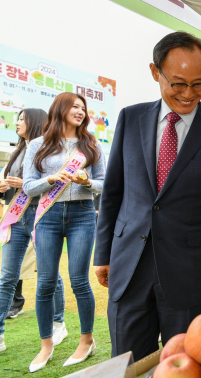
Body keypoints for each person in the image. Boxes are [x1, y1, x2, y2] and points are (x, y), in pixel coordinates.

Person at [93, 32, 201, 361]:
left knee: (186, 363)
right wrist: (102, 253)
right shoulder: (131, 119)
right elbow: (114, 191)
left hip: (191, 275)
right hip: (128, 267)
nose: (189, 94)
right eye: (177, 83)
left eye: (199, 84)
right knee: (128, 363)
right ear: (154, 72)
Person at [23, 93, 106, 371]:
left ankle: (87, 341)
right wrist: (50, 178)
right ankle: (46, 345)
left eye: (84, 108)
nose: (81, 111)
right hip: (47, 215)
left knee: (79, 281)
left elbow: (104, 184)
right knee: (45, 282)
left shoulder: (90, 144)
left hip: (82, 213)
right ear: (60, 109)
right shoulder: (39, 144)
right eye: (75, 106)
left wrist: (87, 180)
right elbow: (27, 187)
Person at [0, 109, 67, 354]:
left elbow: (57, 182)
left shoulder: (49, 150)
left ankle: (59, 323)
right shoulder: (18, 150)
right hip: (16, 218)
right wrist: (4, 186)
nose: (16, 122)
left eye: (21, 119)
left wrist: (28, 184)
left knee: (50, 275)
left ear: (35, 122)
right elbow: (11, 186)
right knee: (7, 275)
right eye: (16, 119)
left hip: (42, 215)